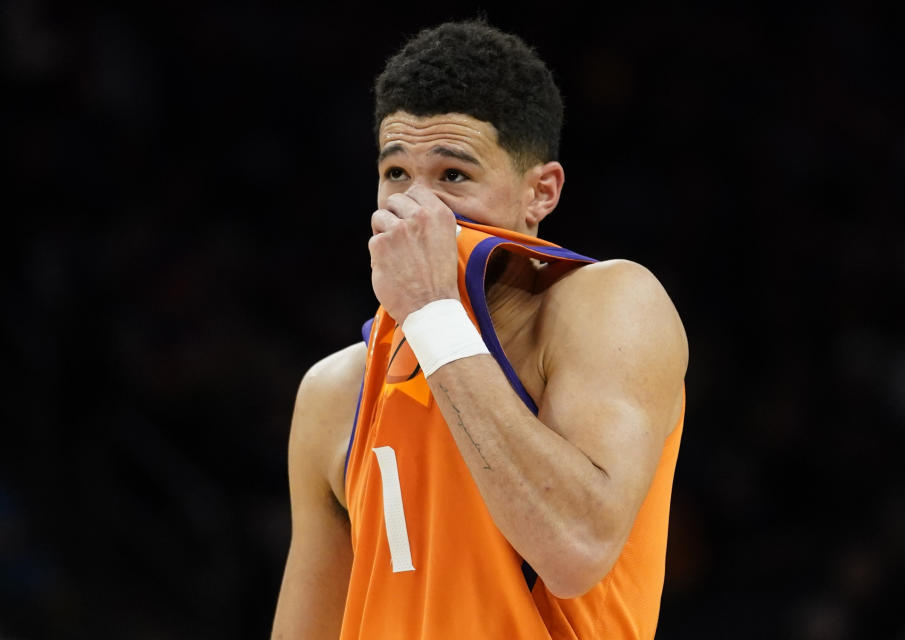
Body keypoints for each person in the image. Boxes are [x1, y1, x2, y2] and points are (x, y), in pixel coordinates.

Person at [271, 20, 688, 640]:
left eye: (453, 176)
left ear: (540, 192)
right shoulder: (334, 391)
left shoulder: (609, 304)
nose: (417, 208)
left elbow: (575, 548)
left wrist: (435, 313)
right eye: (395, 174)